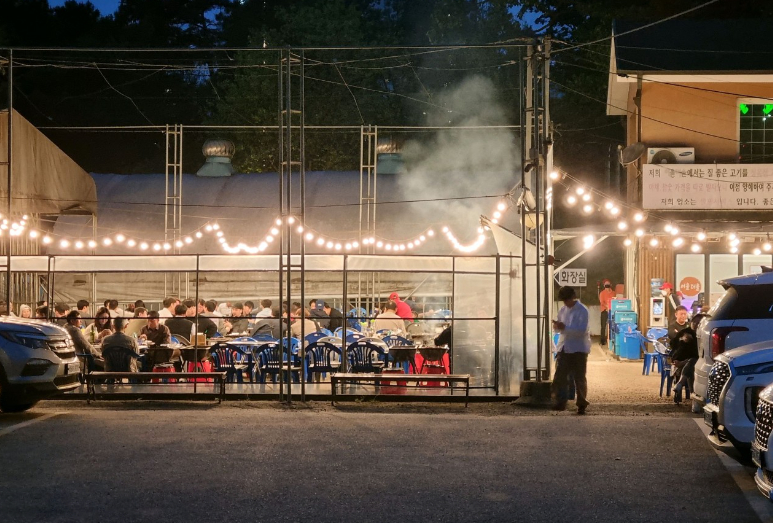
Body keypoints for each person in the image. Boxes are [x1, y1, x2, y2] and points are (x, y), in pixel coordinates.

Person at [551, 286, 591, 414]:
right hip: (564, 347)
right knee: (560, 376)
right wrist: (557, 326)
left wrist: (564, 328)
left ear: (572, 298)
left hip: (578, 348)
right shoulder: (563, 310)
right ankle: (561, 401)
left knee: (579, 377)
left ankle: (581, 403)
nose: (565, 303)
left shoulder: (582, 310)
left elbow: (581, 331)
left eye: (567, 300)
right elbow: (559, 330)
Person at [672, 313, 703, 405]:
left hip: (691, 362)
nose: (696, 324)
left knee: (692, 365)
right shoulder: (685, 332)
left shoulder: (702, 335)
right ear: (690, 322)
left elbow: (698, 355)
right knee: (692, 366)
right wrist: (682, 340)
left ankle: (680, 384)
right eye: (694, 322)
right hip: (681, 360)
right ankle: (695, 402)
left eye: (698, 323)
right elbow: (673, 345)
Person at [598, 280, 615, 346]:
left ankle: (611, 340)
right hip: (604, 310)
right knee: (603, 326)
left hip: (612, 311)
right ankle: (602, 340)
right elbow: (602, 302)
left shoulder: (613, 293)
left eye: (608, 284)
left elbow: (615, 300)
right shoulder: (602, 293)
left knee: (611, 325)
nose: (607, 286)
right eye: (606, 284)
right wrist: (607, 307)